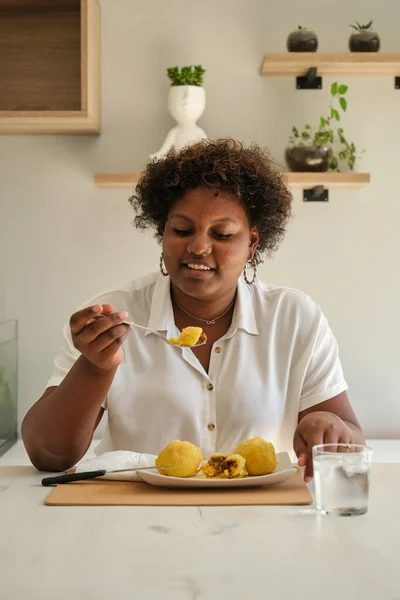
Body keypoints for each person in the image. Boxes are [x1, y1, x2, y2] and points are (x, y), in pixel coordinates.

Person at [22, 138, 365, 480]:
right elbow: (48, 454)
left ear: (252, 244)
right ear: (163, 232)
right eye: (182, 229)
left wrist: (331, 427)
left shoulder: (294, 318)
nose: (199, 247)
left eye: (222, 234)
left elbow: (349, 441)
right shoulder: (112, 317)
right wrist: (95, 368)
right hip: (130, 516)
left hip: (261, 518)